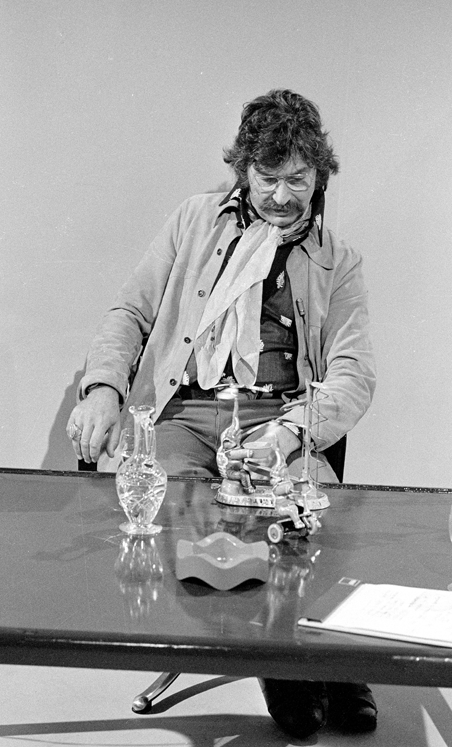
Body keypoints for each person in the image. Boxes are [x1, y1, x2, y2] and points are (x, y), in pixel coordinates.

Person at [67, 88, 377, 738]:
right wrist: (103, 388)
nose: (283, 196)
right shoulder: (193, 221)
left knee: (315, 525)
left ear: (320, 175)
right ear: (244, 171)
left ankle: (335, 664)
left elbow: (353, 376)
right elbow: (130, 313)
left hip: (278, 420)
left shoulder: (338, 261)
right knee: (176, 517)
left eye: (298, 179)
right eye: (268, 178)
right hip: (185, 413)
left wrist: (290, 435)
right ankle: (273, 661)